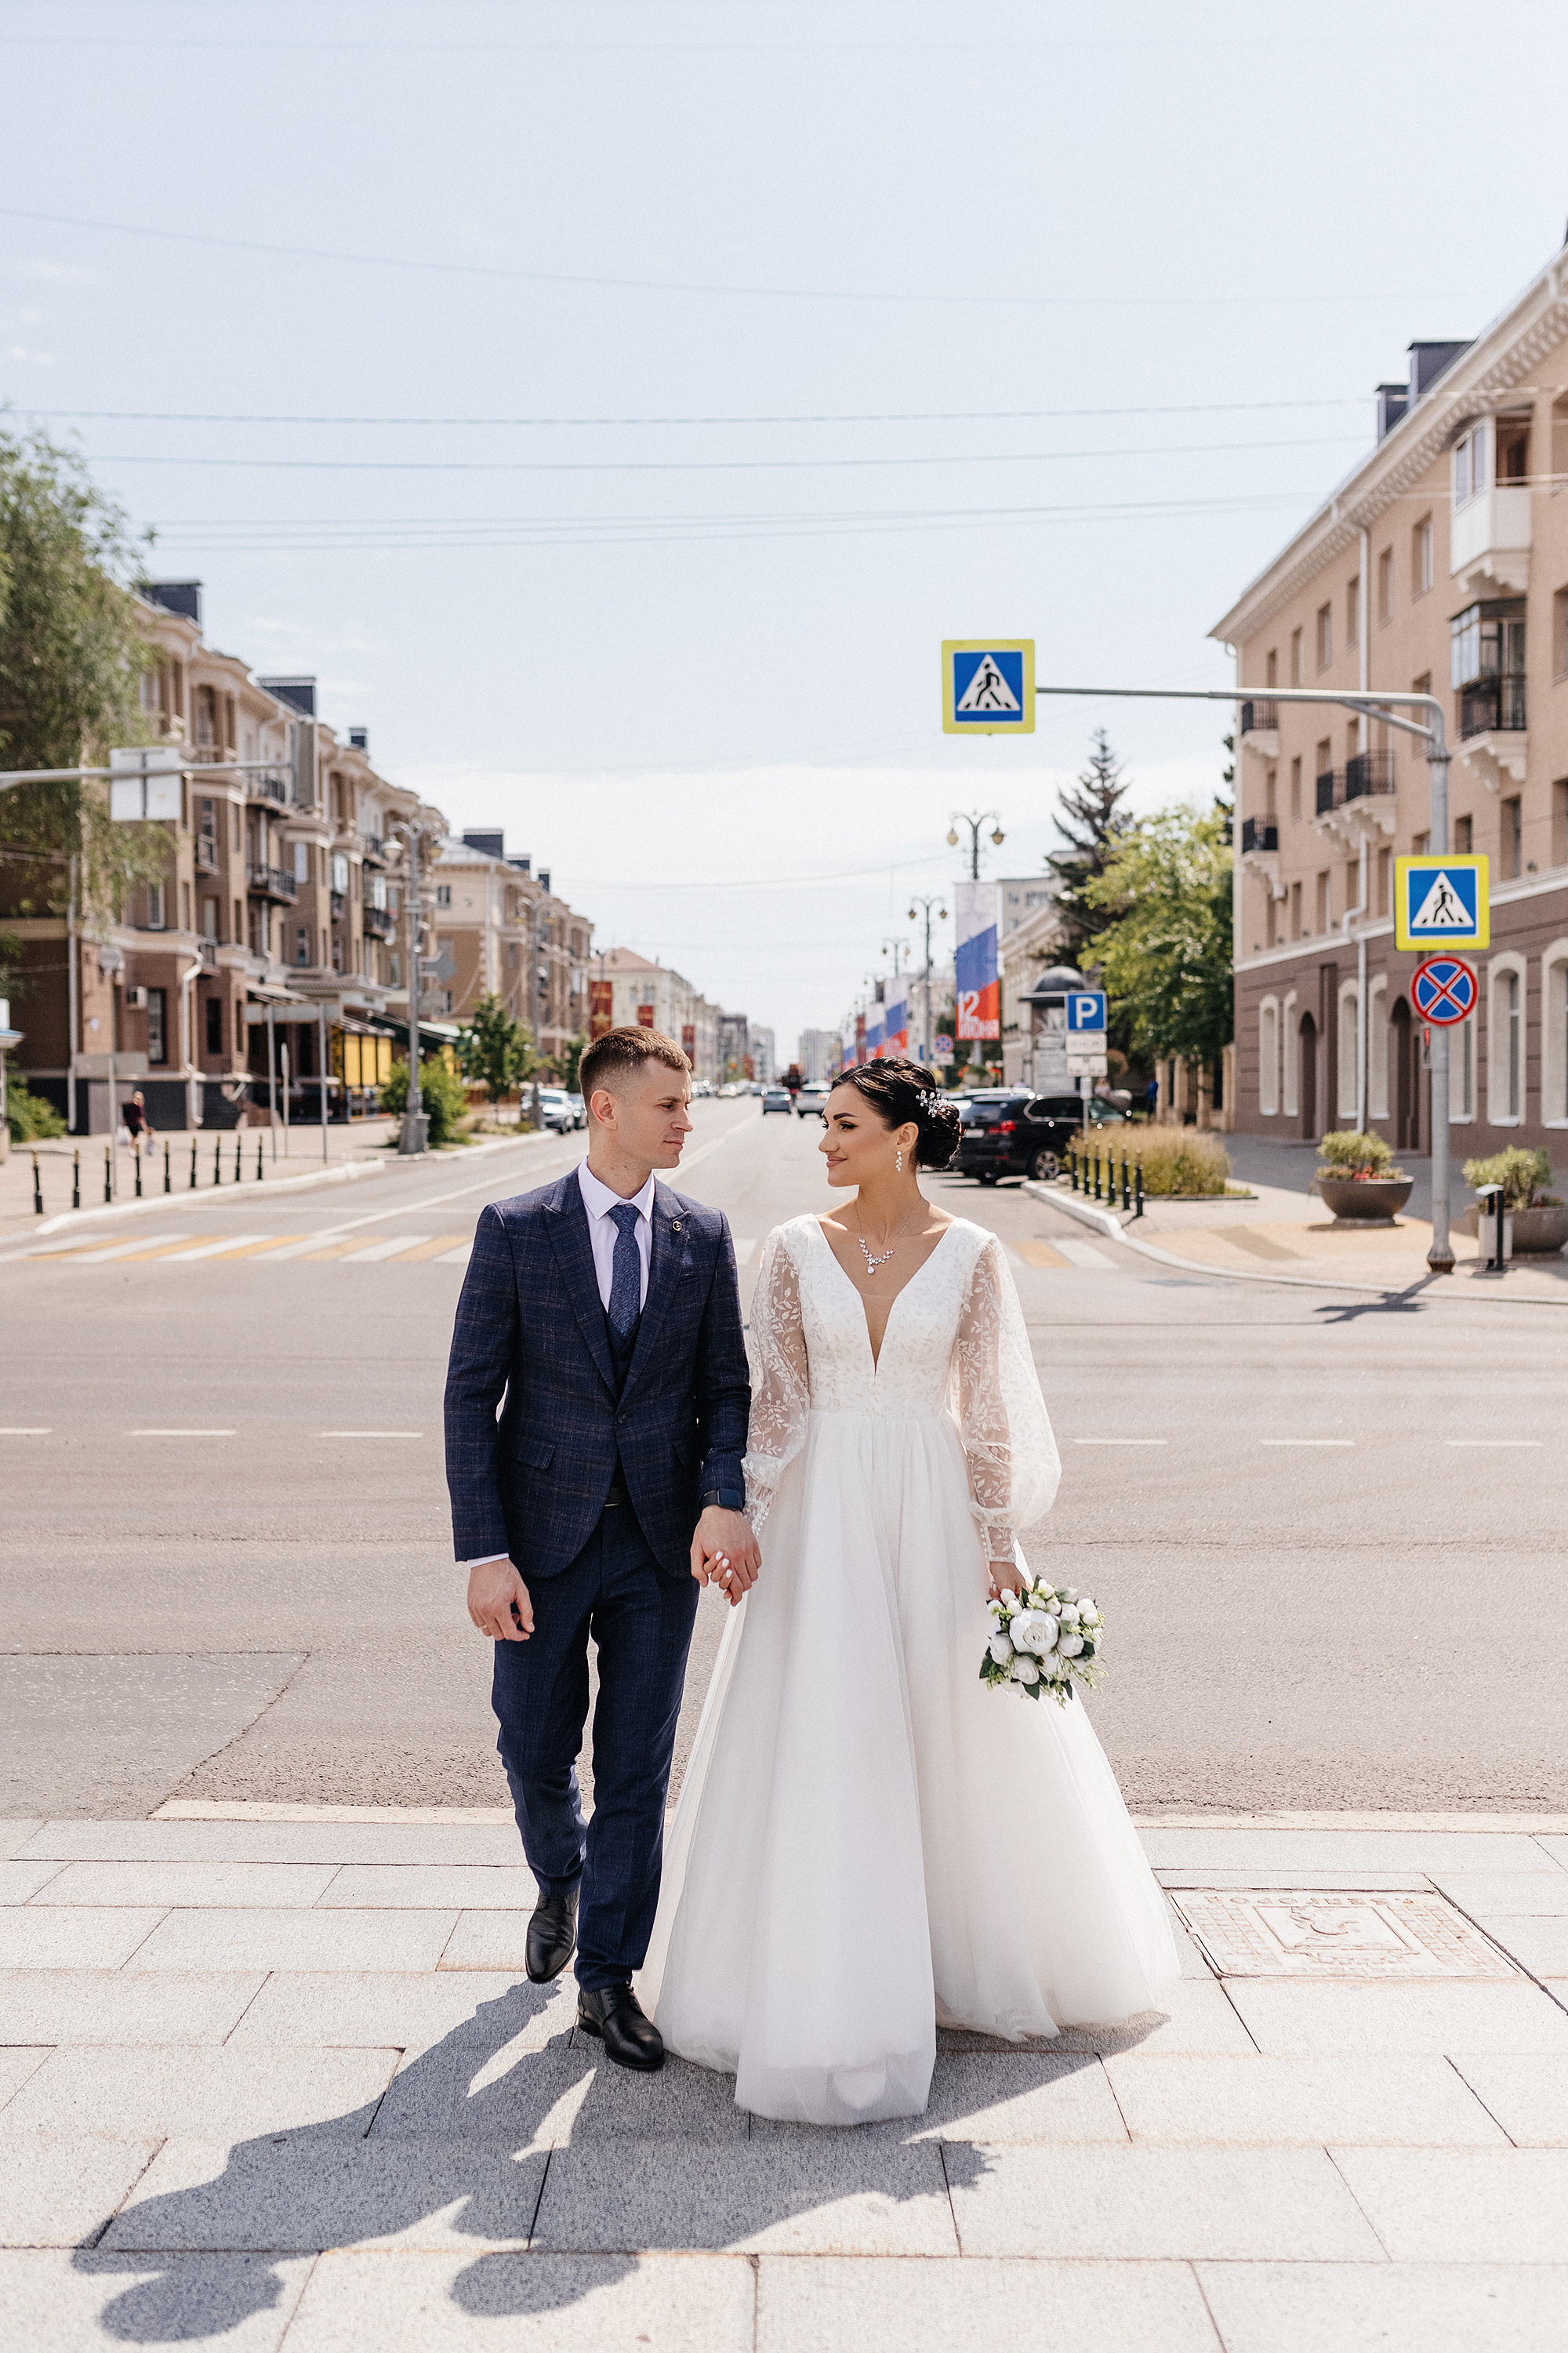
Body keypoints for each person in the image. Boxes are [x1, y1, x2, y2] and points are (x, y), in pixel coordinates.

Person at [639, 1055, 1178, 2124]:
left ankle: (947, 1962)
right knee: (831, 1731)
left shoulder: (974, 1254)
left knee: (946, 1727)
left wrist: (998, 1541)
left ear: (901, 1136)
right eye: (824, 1124)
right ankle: (827, 1963)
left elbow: (988, 1410)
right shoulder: (791, 1249)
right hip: (821, 1512)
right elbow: (774, 1401)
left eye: (843, 1124)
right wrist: (741, 1506)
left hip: (930, 1506)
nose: (823, 1141)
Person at [444, 1026, 755, 2074]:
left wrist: (722, 1499)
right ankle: (559, 1874)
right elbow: (467, 1395)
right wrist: (485, 1550)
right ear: (607, 1108)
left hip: (660, 1548)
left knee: (635, 1763)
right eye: (670, 1105)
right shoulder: (516, 1228)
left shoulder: (702, 1235)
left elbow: (725, 1386)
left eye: (688, 1103)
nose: (687, 1121)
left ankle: (609, 1978)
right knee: (531, 1745)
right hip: (539, 1543)